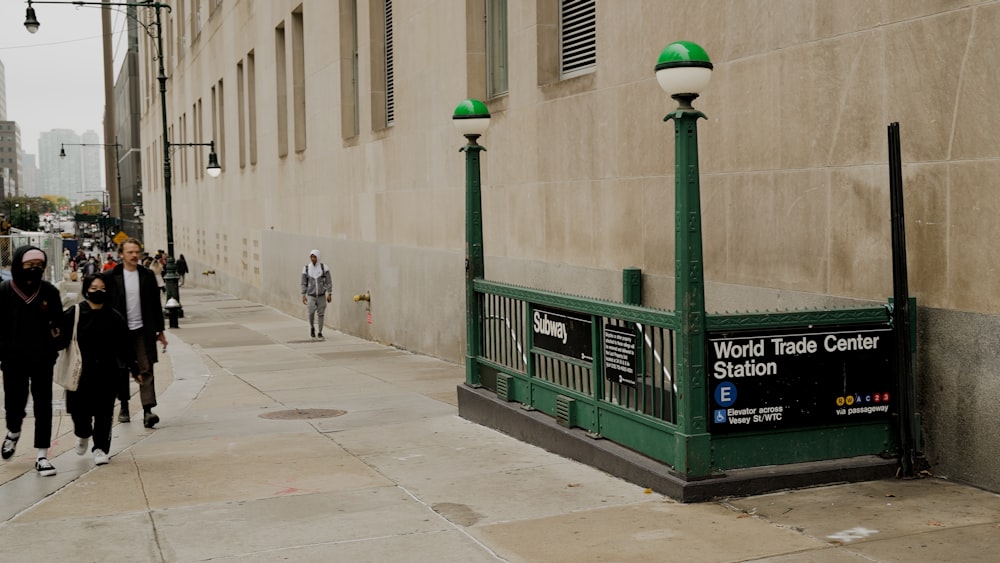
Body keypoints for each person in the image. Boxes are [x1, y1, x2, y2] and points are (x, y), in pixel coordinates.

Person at [0, 246, 64, 476]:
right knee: (14, 403)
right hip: (13, 359)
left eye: (39, 265)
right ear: (19, 265)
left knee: (43, 405)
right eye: (30, 265)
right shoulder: (5, 290)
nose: (35, 268)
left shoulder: (48, 292)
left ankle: (42, 455)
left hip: (42, 359)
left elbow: (59, 323)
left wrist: (55, 344)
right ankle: (13, 432)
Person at [58, 273, 133, 466]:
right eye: (93, 289)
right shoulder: (74, 313)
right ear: (86, 290)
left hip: (107, 372)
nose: (98, 292)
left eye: (102, 289)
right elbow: (60, 340)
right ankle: (82, 434)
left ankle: (100, 448)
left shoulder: (114, 317)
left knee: (104, 413)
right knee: (79, 413)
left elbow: (124, 345)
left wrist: (134, 367)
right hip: (79, 373)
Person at [107, 238, 167, 428]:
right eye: (130, 252)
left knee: (146, 368)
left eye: (137, 251)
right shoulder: (111, 276)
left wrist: (161, 331)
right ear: (121, 254)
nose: (134, 255)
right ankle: (124, 406)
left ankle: (148, 410)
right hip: (120, 333)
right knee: (121, 370)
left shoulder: (147, 275)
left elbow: (156, 305)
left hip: (143, 330)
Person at [301, 249, 332, 339]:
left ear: (318, 257)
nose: (313, 259)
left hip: (321, 295)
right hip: (311, 295)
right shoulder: (306, 268)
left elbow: (329, 281)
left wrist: (329, 293)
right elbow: (303, 283)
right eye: (311, 257)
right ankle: (312, 327)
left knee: (321, 314)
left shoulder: (324, 268)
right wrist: (303, 295)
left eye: (314, 257)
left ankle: (320, 332)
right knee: (310, 312)